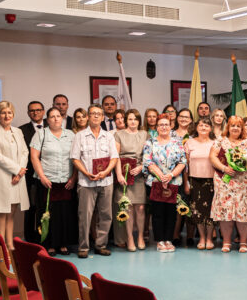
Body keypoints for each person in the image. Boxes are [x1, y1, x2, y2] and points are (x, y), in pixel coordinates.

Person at [71, 104, 118, 258]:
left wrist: (106, 171)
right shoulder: (80, 136)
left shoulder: (109, 136)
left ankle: (101, 245)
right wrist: (86, 173)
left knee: (106, 216)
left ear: (103, 117)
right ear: (88, 117)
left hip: (106, 182)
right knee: (85, 216)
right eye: (93, 113)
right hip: (86, 182)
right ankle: (83, 247)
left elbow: (114, 158)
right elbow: (75, 158)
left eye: (99, 114)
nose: (96, 116)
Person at [30, 106, 76, 255]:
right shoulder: (41, 134)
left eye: (58, 116)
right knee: (47, 213)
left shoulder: (71, 135)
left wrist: (74, 177)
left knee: (65, 213)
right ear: (47, 120)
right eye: (52, 116)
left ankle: (63, 244)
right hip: (47, 181)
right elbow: (34, 157)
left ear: (62, 118)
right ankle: (49, 244)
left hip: (66, 181)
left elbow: (76, 158)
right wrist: (42, 176)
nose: (56, 119)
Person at [0, 101, 29, 249]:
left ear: (13, 114)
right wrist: (17, 169)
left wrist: (20, 172)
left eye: (9, 112)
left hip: (17, 178)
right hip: (1, 177)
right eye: (3, 113)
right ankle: (1, 246)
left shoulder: (18, 131)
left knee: (11, 212)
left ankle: (10, 245)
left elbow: (25, 152)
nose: (6, 115)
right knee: (1, 212)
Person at [211, 116, 247, 252]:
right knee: (225, 212)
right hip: (224, 181)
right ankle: (226, 242)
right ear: (228, 127)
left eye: (238, 126)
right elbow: (212, 157)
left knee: (243, 212)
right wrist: (224, 168)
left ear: (242, 128)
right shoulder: (220, 140)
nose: (235, 128)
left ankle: (243, 242)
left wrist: (242, 167)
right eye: (233, 125)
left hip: (244, 182)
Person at [143, 114, 186, 253]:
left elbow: (182, 162)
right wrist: (161, 176)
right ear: (156, 127)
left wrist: (170, 175)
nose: (164, 127)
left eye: (166, 124)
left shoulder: (177, 143)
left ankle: (168, 240)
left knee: (171, 213)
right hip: (155, 182)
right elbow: (148, 162)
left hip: (174, 182)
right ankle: (160, 240)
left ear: (171, 126)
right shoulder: (150, 143)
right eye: (161, 125)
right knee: (158, 212)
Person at [114, 109, 149, 252]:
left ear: (139, 121)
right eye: (130, 119)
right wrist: (119, 174)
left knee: (140, 208)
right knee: (127, 207)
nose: (133, 121)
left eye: (135, 119)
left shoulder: (144, 134)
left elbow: (148, 154)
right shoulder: (119, 134)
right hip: (124, 174)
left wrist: (142, 166)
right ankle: (129, 238)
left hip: (139, 175)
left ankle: (140, 237)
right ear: (125, 121)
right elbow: (115, 156)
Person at [183, 117, 217, 250]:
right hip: (194, 180)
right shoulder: (189, 143)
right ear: (196, 127)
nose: (203, 128)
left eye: (206, 126)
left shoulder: (215, 143)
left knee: (210, 211)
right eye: (201, 125)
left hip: (211, 181)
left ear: (211, 128)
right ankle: (202, 237)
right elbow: (185, 165)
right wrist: (186, 182)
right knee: (197, 211)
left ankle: (209, 238)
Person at [20, 100, 45, 243]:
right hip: (29, 175)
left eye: (38, 110)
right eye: (32, 110)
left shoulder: (51, 127)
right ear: (28, 113)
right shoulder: (21, 130)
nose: (35, 113)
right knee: (30, 207)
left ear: (43, 111)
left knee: (46, 206)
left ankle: (45, 237)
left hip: (49, 174)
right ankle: (29, 239)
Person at [172, 108, 194, 245]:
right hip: (174, 174)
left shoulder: (194, 135)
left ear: (191, 120)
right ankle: (175, 235)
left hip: (192, 173)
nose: (184, 119)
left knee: (191, 204)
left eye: (187, 117)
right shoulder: (171, 134)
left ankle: (190, 236)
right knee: (178, 205)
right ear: (177, 118)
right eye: (181, 116)